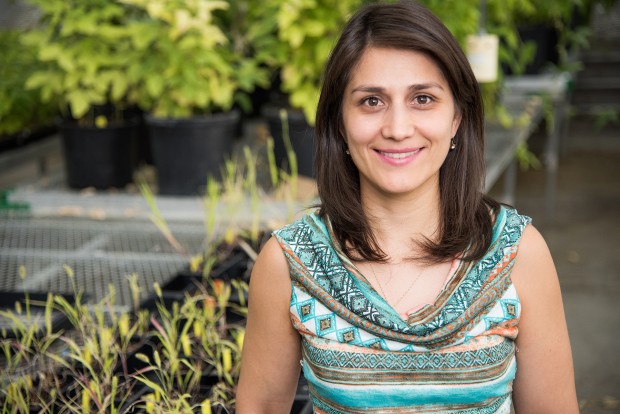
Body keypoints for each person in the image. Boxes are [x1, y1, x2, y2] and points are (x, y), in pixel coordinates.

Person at [236, 1, 578, 412]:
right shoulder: (290, 263)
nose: (397, 129)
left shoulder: (517, 253)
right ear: (339, 124)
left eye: (422, 99)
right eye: (371, 102)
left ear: (456, 119)